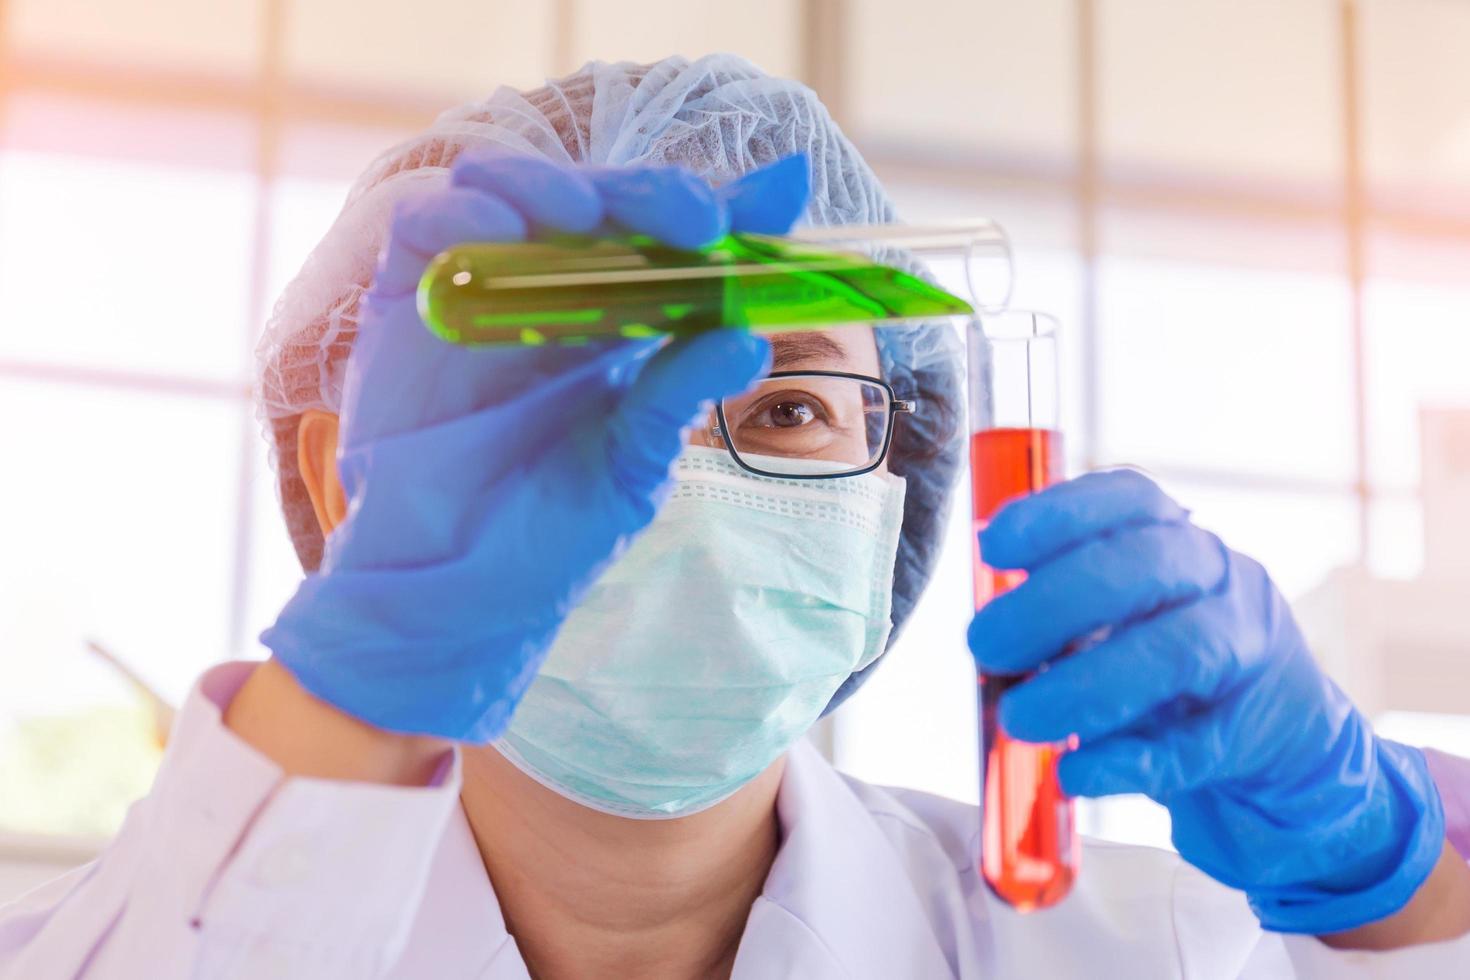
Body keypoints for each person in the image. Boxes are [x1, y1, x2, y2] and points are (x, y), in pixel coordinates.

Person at [3, 53, 1470, 979]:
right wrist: (345, 692)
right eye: (583, 406)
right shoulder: (92, 951)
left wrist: (1380, 866)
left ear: (897, 498)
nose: (678, 491)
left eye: (785, 411)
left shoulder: (1133, 951)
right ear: (343, 480)